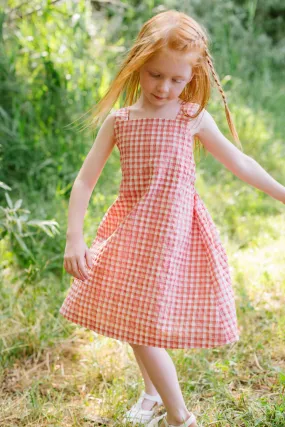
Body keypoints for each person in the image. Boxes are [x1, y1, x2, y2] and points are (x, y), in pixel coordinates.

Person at [59, 9, 285, 427]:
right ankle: (172, 411)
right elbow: (85, 180)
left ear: (192, 76)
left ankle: (171, 411)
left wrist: (281, 193)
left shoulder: (191, 117)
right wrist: (75, 237)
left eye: (177, 80)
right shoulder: (121, 121)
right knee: (137, 319)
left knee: (143, 322)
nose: (164, 87)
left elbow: (241, 163)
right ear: (138, 66)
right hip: (132, 231)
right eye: (154, 75)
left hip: (174, 234)